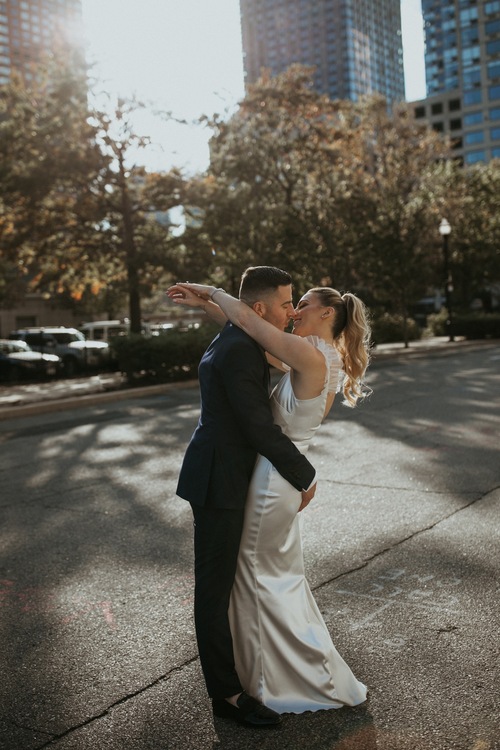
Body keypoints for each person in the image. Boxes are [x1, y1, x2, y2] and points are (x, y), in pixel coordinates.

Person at [168, 278, 371, 715]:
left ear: (327, 314)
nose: (295, 311)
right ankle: (265, 673)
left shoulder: (310, 354)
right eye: (290, 304)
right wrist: (210, 304)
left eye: (301, 304)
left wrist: (211, 292)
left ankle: (268, 679)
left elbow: (250, 319)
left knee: (262, 576)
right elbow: (247, 323)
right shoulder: (310, 356)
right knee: (266, 575)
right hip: (275, 474)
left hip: (277, 477)